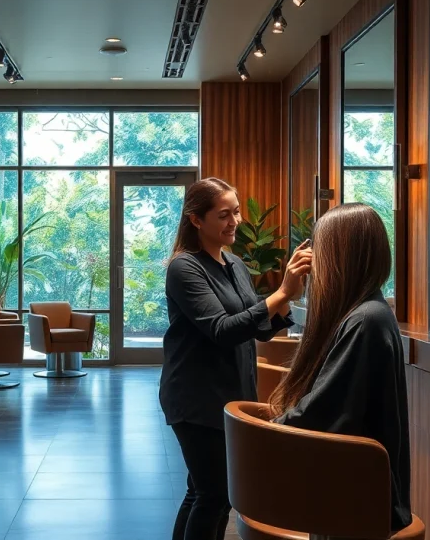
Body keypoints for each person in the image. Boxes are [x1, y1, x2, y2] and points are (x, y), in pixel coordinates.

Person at [160, 177, 310, 540]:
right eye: (224, 214)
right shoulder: (185, 268)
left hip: (229, 392)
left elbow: (257, 329)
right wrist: (281, 292)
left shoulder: (235, 264)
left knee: (203, 491)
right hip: (196, 398)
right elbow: (223, 329)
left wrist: (288, 296)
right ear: (196, 220)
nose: (235, 222)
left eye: (237, 212)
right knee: (214, 495)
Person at [269, 203, 412, 535]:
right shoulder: (365, 314)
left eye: (321, 250)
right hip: (350, 493)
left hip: (357, 505)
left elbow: (323, 414)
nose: (314, 261)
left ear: (341, 256)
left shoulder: (366, 321)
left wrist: (260, 436)